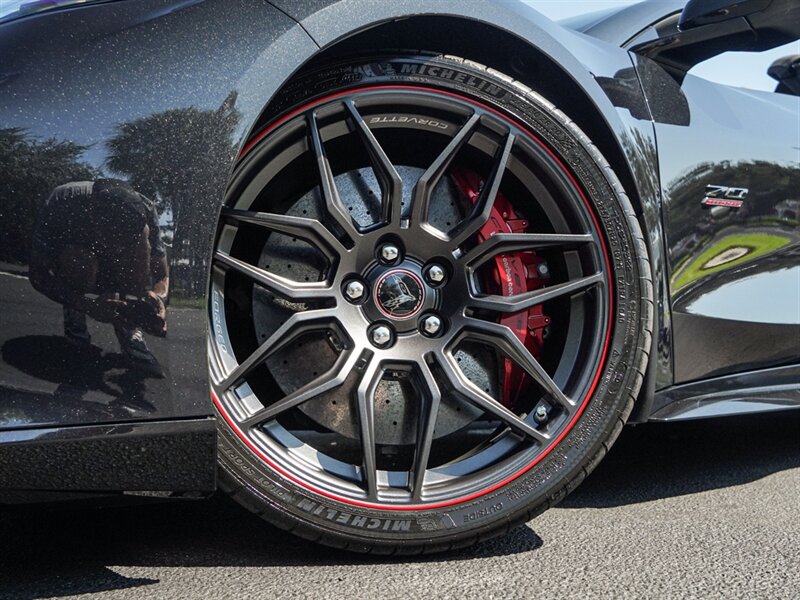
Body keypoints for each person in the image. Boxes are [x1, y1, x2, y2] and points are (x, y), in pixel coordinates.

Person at [29, 179, 168, 368]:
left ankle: (129, 323)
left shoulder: (147, 210)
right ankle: (75, 317)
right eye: (113, 234)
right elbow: (38, 274)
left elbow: (162, 275)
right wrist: (87, 305)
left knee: (144, 236)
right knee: (79, 258)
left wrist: (157, 298)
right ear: (91, 214)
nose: (118, 247)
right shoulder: (63, 201)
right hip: (77, 265)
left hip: (118, 273)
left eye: (126, 237)